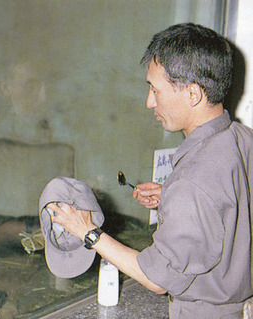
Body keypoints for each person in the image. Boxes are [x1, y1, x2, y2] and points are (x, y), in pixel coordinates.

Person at [47, 23, 253, 318]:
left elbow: (156, 279)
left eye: (156, 90)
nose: (149, 102)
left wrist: (88, 232)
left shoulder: (193, 181)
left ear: (193, 94)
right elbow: (228, 207)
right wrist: (171, 197)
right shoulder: (242, 138)